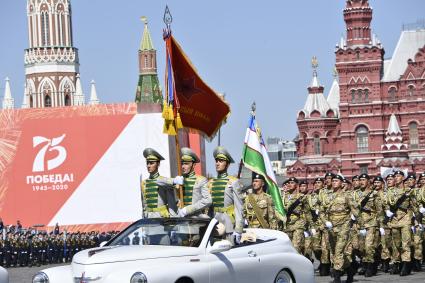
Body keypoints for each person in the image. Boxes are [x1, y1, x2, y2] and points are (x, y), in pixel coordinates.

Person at [320, 174, 358, 283]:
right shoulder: (327, 196)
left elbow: (355, 210)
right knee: (333, 252)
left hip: (344, 226)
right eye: (333, 181)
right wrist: (325, 221)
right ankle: (350, 270)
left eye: (337, 181)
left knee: (339, 250)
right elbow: (321, 211)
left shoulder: (347, 195)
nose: (334, 182)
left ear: (342, 183)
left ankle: (337, 276)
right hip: (331, 227)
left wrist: (360, 226)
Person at [208, 146, 244, 244]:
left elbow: (239, 207)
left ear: (227, 164)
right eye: (216, 161)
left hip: (229, 222)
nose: (217, 163)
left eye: (221, 161)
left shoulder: (234, 182)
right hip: (214, 221)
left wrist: (239, 229)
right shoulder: (211, 182)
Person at [384, 170, 416, 276]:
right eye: (395, 176)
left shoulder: (409, 191)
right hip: (394, 220)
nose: (396, 178)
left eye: (398, 176)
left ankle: (406, 265)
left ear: (403, 178)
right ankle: (399, 262)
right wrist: (387, 210)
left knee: (405, 243)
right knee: (396, 244)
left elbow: (414, 205)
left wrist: (416, 220)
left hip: (406, 218)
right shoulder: (390, 191)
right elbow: (387, 203)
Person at [140, 148, 179, 218]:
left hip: (161, 218)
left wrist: (173, 218)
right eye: (147, 163)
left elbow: (171, 202)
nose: (148, 166)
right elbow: (144, 204)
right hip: (148, 218)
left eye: (152, 163)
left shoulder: (164, 181)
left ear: (158, 164)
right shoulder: (144, 183)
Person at [176, 147, 212, 218]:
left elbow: (207, 200)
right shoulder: (179, 179)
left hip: (196, 217)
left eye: (186, 164)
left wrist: (189, 209)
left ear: (193, 165)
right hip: (180, 217)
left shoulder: (201, 180)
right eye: (182, 163)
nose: (183, 166)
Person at [282, 177, 308, 255]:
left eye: (292, 183)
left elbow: (307, 212)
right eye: (289, 183)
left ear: (296, 185)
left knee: (296, 247)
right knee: (287, 248)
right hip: (287, 224)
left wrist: (311, 226)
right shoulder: (283, 197)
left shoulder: (302, 197)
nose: (290, 184)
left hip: (298, 224)